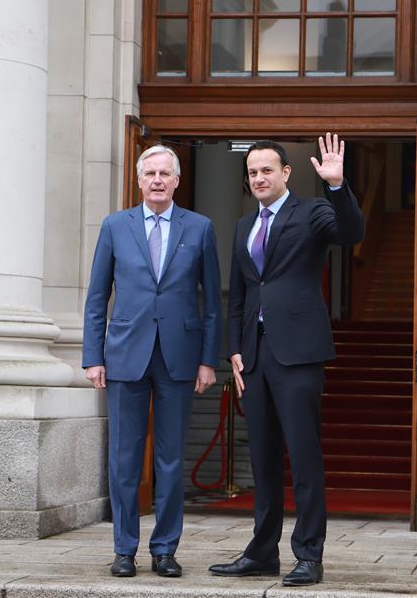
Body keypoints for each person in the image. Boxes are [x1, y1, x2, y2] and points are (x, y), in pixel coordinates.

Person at [209, 134, 364, 586]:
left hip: (297, 355)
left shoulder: (312, 211)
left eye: (267, 170)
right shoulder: (242, 227)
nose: (259, 178)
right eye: (253, 172)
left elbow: (351, 233)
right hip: (254, 358)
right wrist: (234, 350)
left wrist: (337, 186)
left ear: (286, 173)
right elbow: (238, 294)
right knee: (262, 458)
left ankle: (309, 555)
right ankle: (261, 552)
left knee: (303, 455)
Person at [82, 145, 221, 578]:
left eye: (165, 173)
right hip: (124, 357)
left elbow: (212, 303)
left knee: (171, 459)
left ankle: (165, 549)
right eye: (150, 174)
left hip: (179, 359)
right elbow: (96, 298)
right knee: (124, 460)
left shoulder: (199, 228)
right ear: (139, 181)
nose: (158, 180)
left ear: (177, 180)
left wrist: (207, 361)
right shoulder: (114, 226)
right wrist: (93, 356)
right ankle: (124, 549)